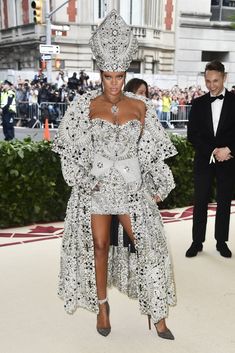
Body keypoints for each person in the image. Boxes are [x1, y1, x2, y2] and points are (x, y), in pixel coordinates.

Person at [52, 10, 177, 339]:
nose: (114, 83)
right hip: (96, 189)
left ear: (125, 74)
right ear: (100, 74)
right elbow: (70, 149)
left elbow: (150, 151)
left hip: (130, 189)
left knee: (147, 244)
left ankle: (157, 310)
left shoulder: (140, 106)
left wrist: (157, 184)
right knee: (100, 245)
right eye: (108, 76)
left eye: (119, 76)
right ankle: (103, 306)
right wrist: (82, 179)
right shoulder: (84, 106)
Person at [186, 60, 235, 258]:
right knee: (200, 201)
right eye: (208, 81)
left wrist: (229, 150)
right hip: (205, 160)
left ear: (224, 77)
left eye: (215, 80)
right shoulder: (198, 103)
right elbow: (192, 135)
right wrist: (214, 150)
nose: (211, 85)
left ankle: (221, 242)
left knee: (224, 202)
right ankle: (197, 242)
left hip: (229, 160)